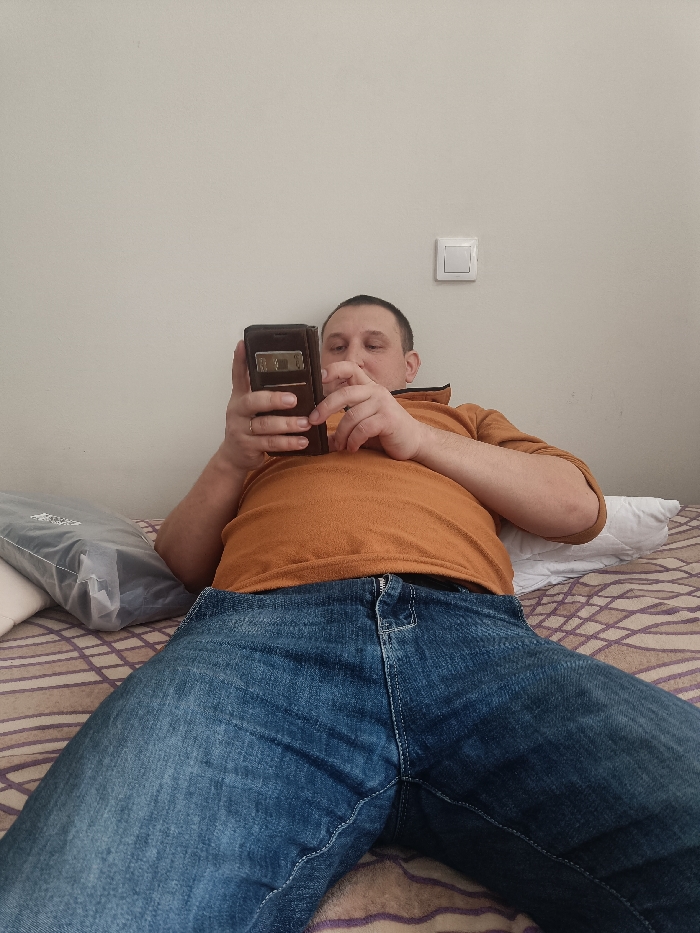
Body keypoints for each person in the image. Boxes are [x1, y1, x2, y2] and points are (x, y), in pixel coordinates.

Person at [0, 296, 698, 933]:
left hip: (474, 641)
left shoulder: (463, 420)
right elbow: (182, 563)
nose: (351, 358)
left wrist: (416, 437)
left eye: (373, 344)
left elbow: (576, 508)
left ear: (410, 366)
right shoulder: (275, 437)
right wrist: (232, 458)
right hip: (259, 641)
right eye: (335, 346)